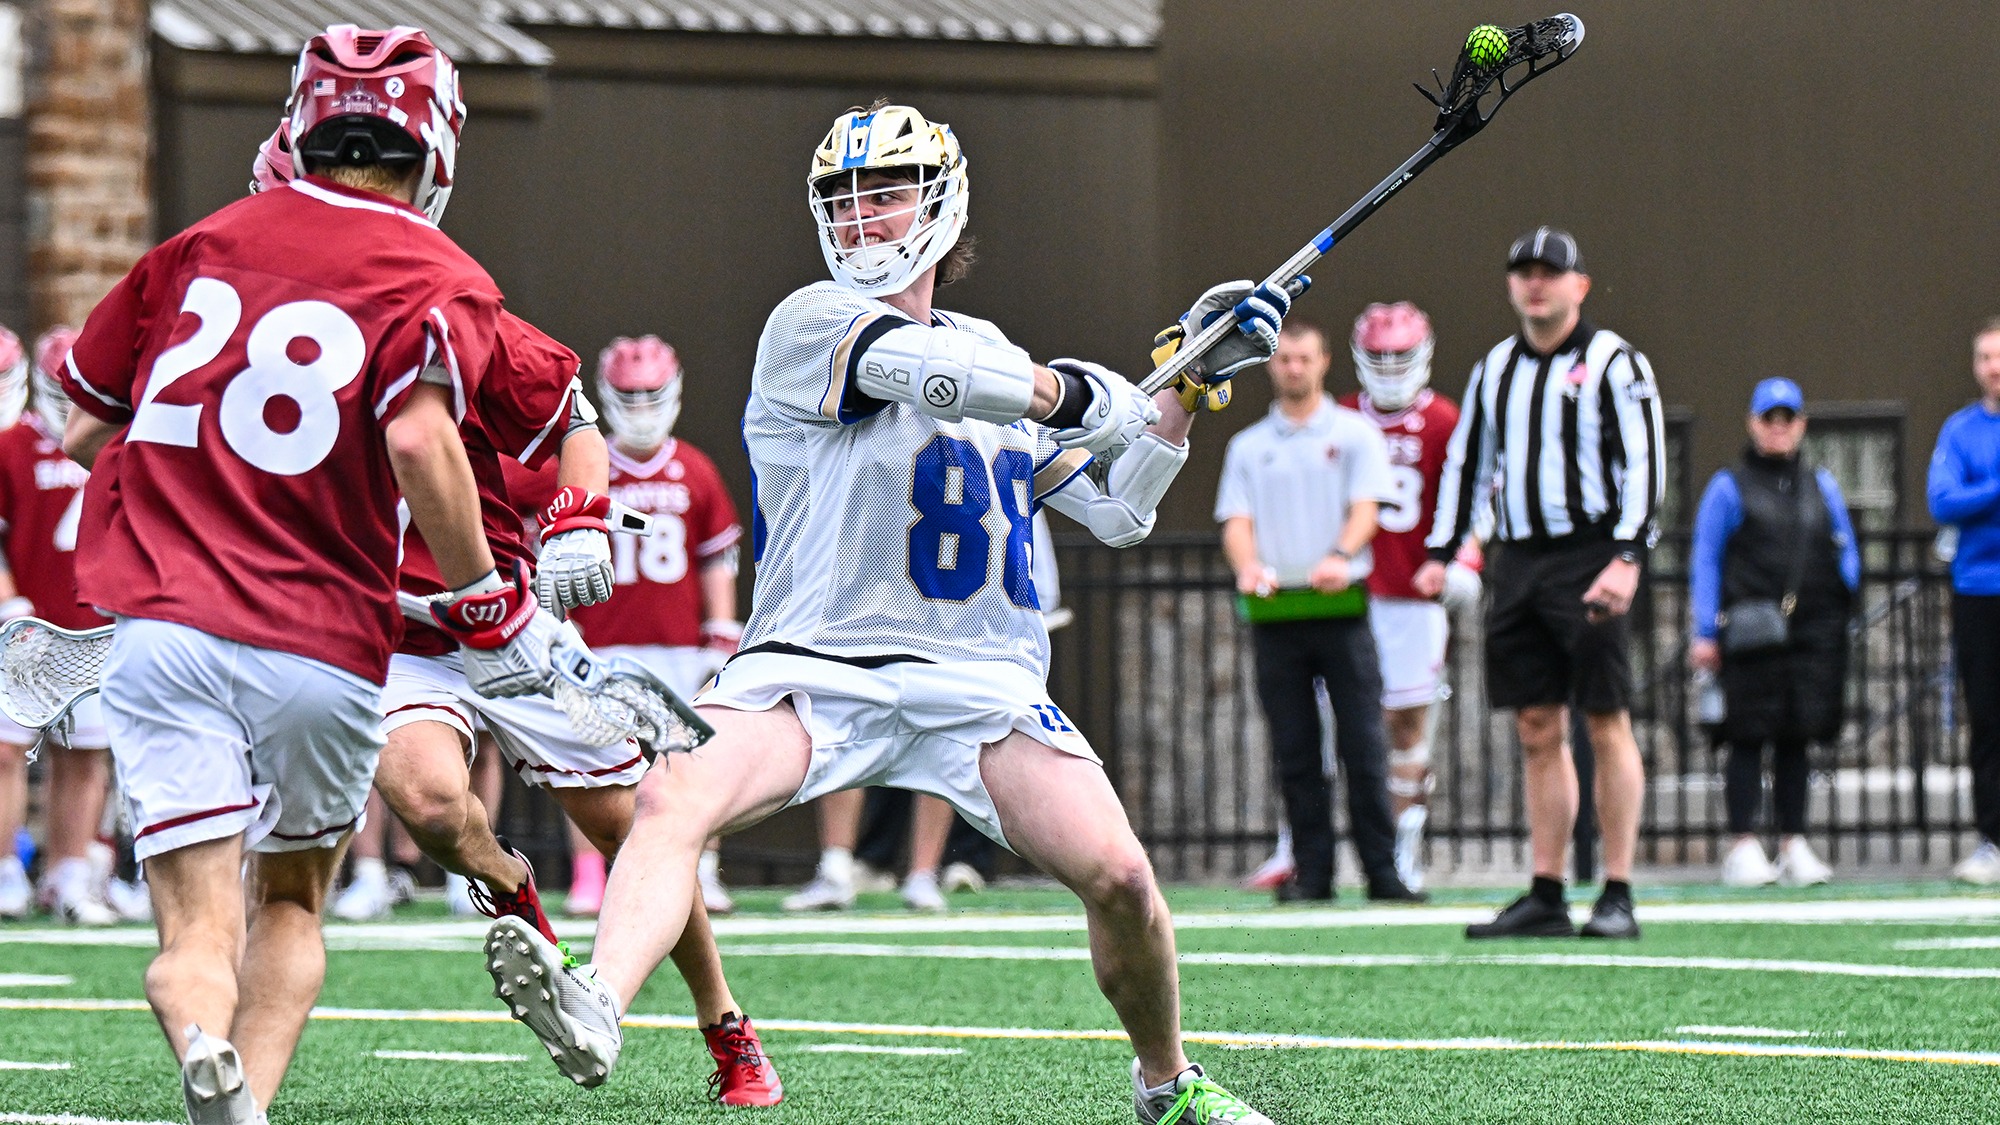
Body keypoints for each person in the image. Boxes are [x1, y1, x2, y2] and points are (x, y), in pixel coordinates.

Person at [482, 101, 1295, 1124]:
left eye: (886, 193)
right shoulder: (810, 323)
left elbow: (1115, 506)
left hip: (979, 684)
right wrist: (1081, 392)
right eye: (843, 198)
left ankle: (1164, 1085)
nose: (863, 216)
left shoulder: (992, 346)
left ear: (941, 204)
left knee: (1124, 880)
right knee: (670, 798)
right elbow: (935, 376)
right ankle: (597, 1004)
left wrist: (1189, 382)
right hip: (815, 664)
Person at [59, 25, 551, 1124]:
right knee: (292, 895)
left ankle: (197, 1031)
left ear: (300, 124)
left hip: (168, 625)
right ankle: (253, 1103)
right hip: (319, 640)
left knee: (193, 931)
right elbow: (422, 447)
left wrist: (171, 492)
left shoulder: (203, 242)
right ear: (435, 145)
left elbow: (81, 418)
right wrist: (485, 598)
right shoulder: (438, 270)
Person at [246, 128, 781, 1106]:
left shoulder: (440, 300)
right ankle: (515, 891)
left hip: (502, 614)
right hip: (397, 636)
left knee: (632, 827)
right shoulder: (247, 342)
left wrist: (577, 519)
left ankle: (725, 1026)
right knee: (428, 802)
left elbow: (570, 415)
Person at [1417, 227, 1663, 940]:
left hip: (1590, 553)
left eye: (1549, 272)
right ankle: (1548, 888)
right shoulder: (1495, 368)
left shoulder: (1615, 362)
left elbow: (1644, 463)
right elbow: (1467, 463)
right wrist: (1442, 547)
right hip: (1518, 559)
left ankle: (1616, 887)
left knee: (1605, 716)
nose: (1535, 283)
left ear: (1578, 284)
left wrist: (1628, 555)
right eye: (1523, 271)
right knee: (1535, 725)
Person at [1217, 319, 1423, 904]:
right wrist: (1248, 567)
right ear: (1271, 366)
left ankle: (1384, 872)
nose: (1293, 369)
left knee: (1363, 741)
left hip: (1342, 608)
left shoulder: (1355, 435)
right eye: (1283, 359)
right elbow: (1237, 521)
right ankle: (1312, 873)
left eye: (1303, 358)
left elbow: (1366, 509)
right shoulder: (1249, 446)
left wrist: (1340, 555)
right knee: (1295, 746)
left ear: (1324, 361)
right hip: (1277, 614)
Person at [568, 335, 745, 917]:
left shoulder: (694, 467)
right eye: (629, 395)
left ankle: (704, 869)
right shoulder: (589, 465)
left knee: (692, 761)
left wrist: (720, 629)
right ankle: (591, 871)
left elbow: (716, 558)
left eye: (651, 394)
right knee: (590, 763)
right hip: (600, 637)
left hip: (676, 644)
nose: (641, 407)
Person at [1336, 302, 1484, 892]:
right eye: (1379, 356)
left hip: (1412, 597)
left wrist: (1459, 563)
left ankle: (1404, 846)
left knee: (1406, 724)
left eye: (1401, 355)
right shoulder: (1342, 417)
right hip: (1347, 591)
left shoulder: (1446, 421)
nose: (1391, 367)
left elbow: (1475, 503)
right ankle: (1305, 844)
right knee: (1330, 724)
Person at [1690, 379, 1855, 887]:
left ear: (1801, 424)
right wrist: (1704, 630)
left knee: (1795, 737)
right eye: (1769, 418)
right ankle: (1743, 844)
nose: (1778, 428)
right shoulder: (1728, 487)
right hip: (1750, 633)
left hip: (1809, 634)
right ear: (1752, 422)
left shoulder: (1821, 485)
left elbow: (1843, 547)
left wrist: (1845, 596)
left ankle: (1793, 843)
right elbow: (1706, 559)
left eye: (1788, 418)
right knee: (1745, 736)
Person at [0, 327, 122, 925]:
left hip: (93, 624)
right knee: (4, 751)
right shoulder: (10, 444)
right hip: (21, 628)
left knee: (85, 755)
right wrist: (8, 604)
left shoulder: (121, 439)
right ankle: (4, 872)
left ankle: (69, 874)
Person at [1931, 318, 2000, 884]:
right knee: (1988, 719)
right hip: (1979, 593)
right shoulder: (1959, 431)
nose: (1993, 368)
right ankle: (1992, 841)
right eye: (1984, 358)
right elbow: (1943, 499)